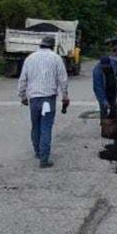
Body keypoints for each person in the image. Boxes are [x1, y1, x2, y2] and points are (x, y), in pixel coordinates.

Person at [18, 36, 70, 168]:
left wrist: (22, 95)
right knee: (46, 127)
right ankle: (44, 159)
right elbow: (63, 79)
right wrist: (65, 96)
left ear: (41, 45)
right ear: (52, 46)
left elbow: (23, 78)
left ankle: (38, 152)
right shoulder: (56, 58)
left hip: (34, 99)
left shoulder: (30, 58)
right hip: (48, 99)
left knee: (35, 126)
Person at [92, 55, 117, 138]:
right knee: (104, 108)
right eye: (104, 66)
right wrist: (104, 101)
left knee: (114, 107)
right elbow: (98, 88)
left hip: (112, 88)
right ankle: (105, 127)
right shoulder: (97, 71)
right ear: (101, 64)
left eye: (107, 65)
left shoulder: (113, 62)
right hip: (103, 91)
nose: (106, 67)